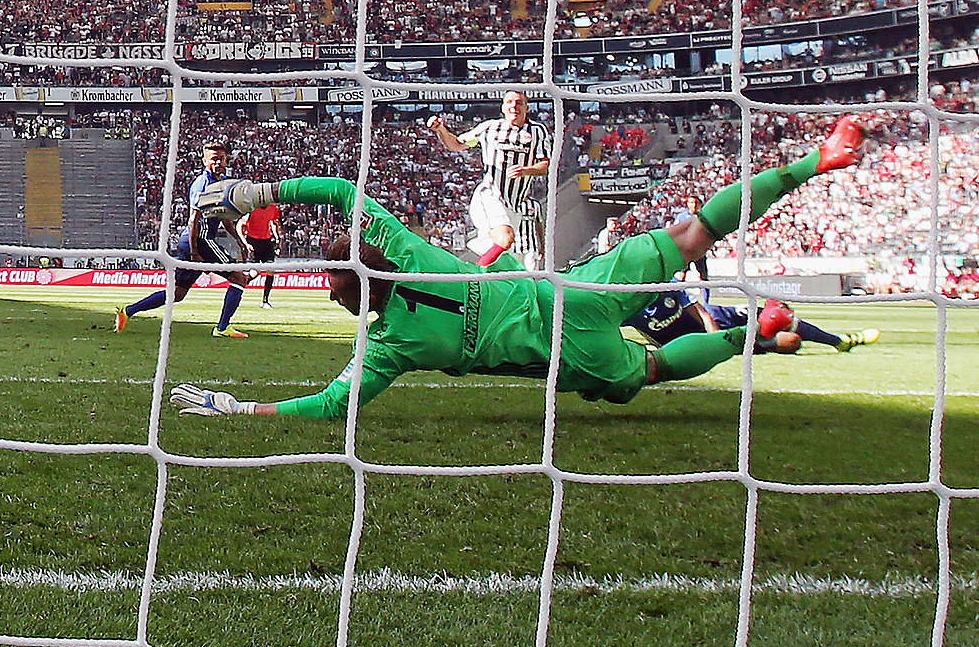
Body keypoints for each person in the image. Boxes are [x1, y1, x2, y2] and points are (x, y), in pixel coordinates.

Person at [169, 116, 863, 418]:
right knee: (688, 233)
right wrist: (264, 192)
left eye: (333, 286)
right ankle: (816, 161)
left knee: (650, 371)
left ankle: (751, 335)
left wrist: (242, 409)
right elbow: (344, 194)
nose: (329, 298)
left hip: (564, 350)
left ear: (360, 290)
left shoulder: (388, 347)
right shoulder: (403, 250)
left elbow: (330, 406)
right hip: (570, 290)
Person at [115, 142, 252, 338]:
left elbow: (223, 216)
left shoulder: (222, 182)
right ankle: (222, 328)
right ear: (205, 161)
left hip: (191, 241)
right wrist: (196, 252)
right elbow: (193, 219)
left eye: (221, 158)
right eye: (214, 159)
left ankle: (127, 311)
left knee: (177, 294)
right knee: (239, 278)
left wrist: (238, 239)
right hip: (200, 239)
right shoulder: (202, 185)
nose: (219, 162)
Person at [427, 91, 552, 269]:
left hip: (515, 204)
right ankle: (474, 277)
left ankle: (489, 280)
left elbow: (545, 165)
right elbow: (456, 144)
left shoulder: (537, 131)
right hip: (490, 195)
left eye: (519, 103)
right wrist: (441, 130)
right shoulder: (489, 128)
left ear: (527, 107)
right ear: (503, 107)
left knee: (509, 258)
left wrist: (526, 170)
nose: (514, 106)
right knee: (505, 238)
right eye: (509, 102)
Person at [625, 287, 881, 354]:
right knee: (790, 343)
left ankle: (840, 341)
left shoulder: (667, 286)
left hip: (718, 323)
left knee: (776, 314)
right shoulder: (625, 305)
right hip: (689, 346)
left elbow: (703, 314)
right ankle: (765, 342)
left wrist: (714, 341)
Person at [239, 200, 283, 309]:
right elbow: (239, 225)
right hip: (253, 241)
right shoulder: (251, 208)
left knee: (271, 269)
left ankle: (265, 301)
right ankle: (239, 284)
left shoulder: (272, 208)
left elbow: (274, 223)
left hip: (266, 241)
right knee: (255, 272)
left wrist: (278, 238)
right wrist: (245, 243)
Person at [672, 195, 710, 303]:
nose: (693, 205)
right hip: (685, 252)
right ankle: (679, 301)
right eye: (690, 202)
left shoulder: (704, 217)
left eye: (695, 203)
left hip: (700, 251)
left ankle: (706, 302)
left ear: (699, 204)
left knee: (703, 277)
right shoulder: (681, 217)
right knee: (681, 276)